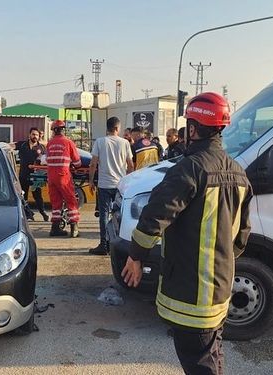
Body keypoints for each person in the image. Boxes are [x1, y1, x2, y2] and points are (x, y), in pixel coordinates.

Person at [122, 92, 253, 375]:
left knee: (200, 364)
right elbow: (242, 236)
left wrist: (135, 256)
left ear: (193, 129)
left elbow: (155, 214)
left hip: (192, 294)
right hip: (220, 289)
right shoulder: (239, 173)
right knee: (212, 354)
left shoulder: (191, 168)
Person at [88, 117, 134, 255]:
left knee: (104, 215)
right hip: (120, 185)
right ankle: (120, 244)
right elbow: (131, 165)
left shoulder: (100, 142)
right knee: (121, 214)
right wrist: (128, 180)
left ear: (107, 128)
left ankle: (104, 244)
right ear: (117, 128)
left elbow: (93, 164)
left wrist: (91, 181)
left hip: (104, 185)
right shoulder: (125, 143)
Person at [46, 120, 81, 237]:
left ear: (53, 130)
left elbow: (47, 159)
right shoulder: (68, 142)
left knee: (56, 203)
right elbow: (77, 162)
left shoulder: (49, 143)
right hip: (63, 176)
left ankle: (55, 228)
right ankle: (74, 227)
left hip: (51, 176)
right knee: (71, 200)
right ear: (63, 129)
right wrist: (74, 165)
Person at [15, 127, 49, 222]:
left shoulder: (41, 147)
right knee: (23, 196)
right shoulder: (22, 145)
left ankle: (43, 213)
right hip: (24, 174)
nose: (35, 136)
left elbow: (45, 159)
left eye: (37, 135)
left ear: (39, 136)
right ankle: (27, 214)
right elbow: (11, 146)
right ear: (29, 135)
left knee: (37, 195)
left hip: (36, 176)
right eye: (33, 134)